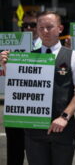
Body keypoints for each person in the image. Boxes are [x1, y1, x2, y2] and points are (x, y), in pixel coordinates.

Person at [1, 11, 75, 165]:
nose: (45, 31)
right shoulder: (27, 56)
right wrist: (7, 67)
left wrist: (64, 117)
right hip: (34, 130)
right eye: (41, 28)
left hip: (62, 128)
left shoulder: (73, 56)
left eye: (49, 27)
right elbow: (19, 87)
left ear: (60, 28)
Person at [4, 10, 42, 165]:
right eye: (25, 25)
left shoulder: (49, 48)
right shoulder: (9, 47)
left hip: (39, 106)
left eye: (32, 25)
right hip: (16, 106)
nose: (28, 28)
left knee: (39, 155)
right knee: (14, 153)